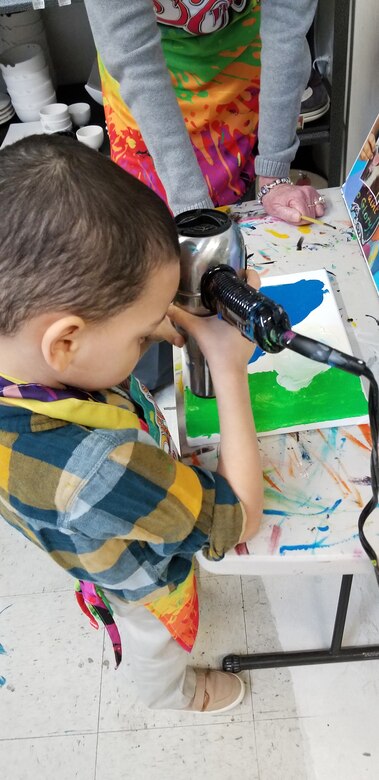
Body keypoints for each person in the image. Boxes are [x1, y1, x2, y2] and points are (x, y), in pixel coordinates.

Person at [0, 135, 263, 713]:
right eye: (144, 334)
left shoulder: (20, 355)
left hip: (78, 536)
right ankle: (174, 695)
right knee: (156, 646)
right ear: (65, 341)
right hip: (138, 585)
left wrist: (151, 311)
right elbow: (240, 520)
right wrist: (228, 367)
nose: (158, 335)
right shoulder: (107, 469)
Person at [83, 0, 326, 224]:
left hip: (236, 59)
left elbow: (287, 26)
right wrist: (194, 212)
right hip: (147, 82)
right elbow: (136, 62)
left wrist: (274, 175)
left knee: (238, 218)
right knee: (156, 227)